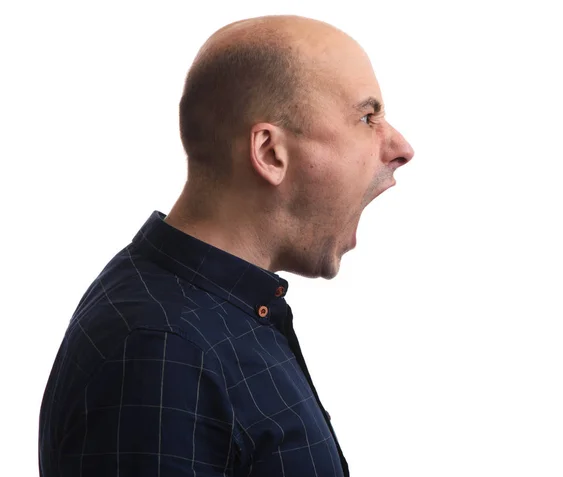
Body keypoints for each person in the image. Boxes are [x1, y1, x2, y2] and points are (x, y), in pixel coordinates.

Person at [38, 14, 414, 477]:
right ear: (270, 153)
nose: (400, 146)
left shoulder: (227, 314)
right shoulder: (160, 350)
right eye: (367, 116)